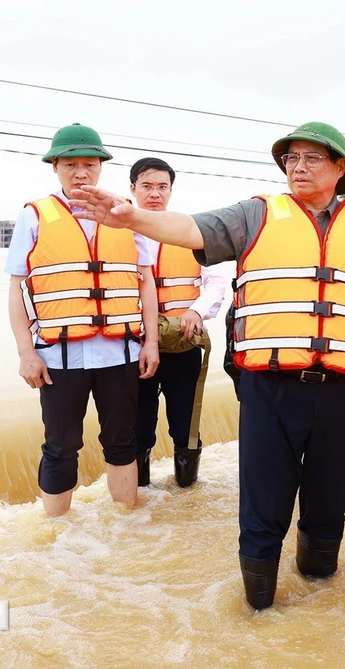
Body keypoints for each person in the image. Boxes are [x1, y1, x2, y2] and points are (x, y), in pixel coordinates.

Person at [69, 121, 345, 610]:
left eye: (312, 158)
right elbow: (188, 228)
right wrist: (132, 218)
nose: (299, 167)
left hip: (342, 390)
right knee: (264, 504)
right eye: (292, 159)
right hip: (269, 386)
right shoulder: (256, 215)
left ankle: (321, 604)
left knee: (330, 502)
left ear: (340, 169)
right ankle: (260, 616)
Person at [5, 123, 159, 516]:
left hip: (121, 352)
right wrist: (26, 353)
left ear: (101, 167)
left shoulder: (126, 214)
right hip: (59, 357)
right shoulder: (35, 215)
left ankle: (126, 526)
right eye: (70, 164)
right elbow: (17, 290)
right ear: (55, 166)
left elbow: (145, 283)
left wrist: (152, 343)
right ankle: (55, 536)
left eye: (89, 164)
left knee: (123, 440)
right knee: (60, 445)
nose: (81, 173)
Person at [129, 157, 227, 488]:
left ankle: (187, 495)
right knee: (137, 424)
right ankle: (139, 498)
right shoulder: (118, 234)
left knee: (185, 423)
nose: (155, 194)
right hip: (135, 342)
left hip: (184, 341)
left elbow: (215, 282)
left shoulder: (190, 232)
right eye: (147, 186)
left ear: (171, 191)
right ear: (132, 189)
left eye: (162, 187)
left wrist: (197, 311)